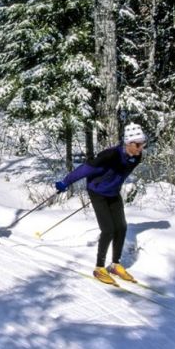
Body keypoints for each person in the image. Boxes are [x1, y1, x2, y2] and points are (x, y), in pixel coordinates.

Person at [54, 122, 147, 284]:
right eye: (138, 144)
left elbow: (120, 172)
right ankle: (99, 267)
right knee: (108, 229)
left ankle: (115, 264)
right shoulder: (109, 156)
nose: (141, 148)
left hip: (113, 192)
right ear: (128, 143)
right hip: (97, 192)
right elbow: (85, 169)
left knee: (122, 227)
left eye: (143, 144)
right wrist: (65, 182)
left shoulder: (137, 157)